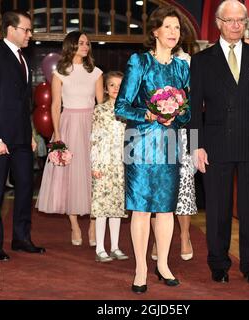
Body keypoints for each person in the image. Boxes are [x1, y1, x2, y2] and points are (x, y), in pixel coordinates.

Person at [189, 0, 249, 285]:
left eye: (240, 20)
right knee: (217, 210)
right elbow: (194, 108)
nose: (235, 25)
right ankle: (219, 264)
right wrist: (196, 145)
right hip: (215, 144)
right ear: (218, 23)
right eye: (229, 20)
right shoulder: (202, 60)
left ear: (246, 23)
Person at [115, 6, 191, 293]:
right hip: (141, 143)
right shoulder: (140, 62)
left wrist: (176, 113)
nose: (174, 33)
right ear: (155, 31)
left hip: (170, 143)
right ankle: (141, 268)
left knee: (166, 209)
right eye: (169, 27)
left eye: (178, 28)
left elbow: (188, 112)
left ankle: (163, 265)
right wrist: (148, 114)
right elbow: (121, 107)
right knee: (142, 209)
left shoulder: (182, 67)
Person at [0, 10, 45, 261]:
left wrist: (30, 134)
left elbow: (23, 102)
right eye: (26, 30)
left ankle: (21, 238)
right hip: (0, 139)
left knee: (26, 188)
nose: (30, 34)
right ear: (11, 30)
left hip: (21, 137)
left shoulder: (24, 58)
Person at [36, 31, 104, 246]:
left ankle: (93, 224)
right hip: (68, 125)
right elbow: (56, 106)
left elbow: (101, 106)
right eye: (81, 43)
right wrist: (57, 133)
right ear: (71, 46)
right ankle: (74, 225)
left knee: (94, 175)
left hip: (91, 125)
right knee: (69, 176)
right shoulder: (60, 74)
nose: (86, 46)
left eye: (87, 43)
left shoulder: (96, 73)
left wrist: (102, 133)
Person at [150, 47, 197, 262]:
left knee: (185, 186)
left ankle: (185, 235)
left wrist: (195, 146)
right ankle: (157, 239)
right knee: (156, 188)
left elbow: (194, 112)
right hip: (156, 136)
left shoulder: (186, 69)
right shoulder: (150, 66)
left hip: (184, 136)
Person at [91, 71, 129, 263]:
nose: (116, 89)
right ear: (106, 88)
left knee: (117, 207)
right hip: (104, 163)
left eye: (120, 85)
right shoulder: (100, 110)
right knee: (102, 208)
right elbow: (95, 139)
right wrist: (95, 164)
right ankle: (100, 248)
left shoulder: (128, 111)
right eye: (112, 85)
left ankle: (114, 246)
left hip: (121, 165)